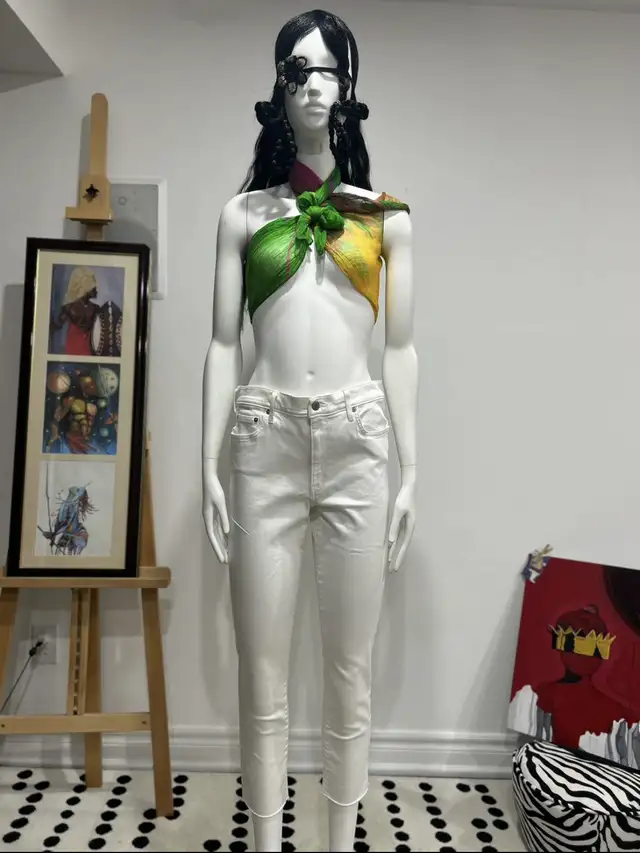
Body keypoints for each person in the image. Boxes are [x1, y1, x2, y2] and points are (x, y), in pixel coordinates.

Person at [201, 10, 418, 851]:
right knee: (261, 676)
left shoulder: (386, 219)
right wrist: (208, 463)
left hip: (360, 440)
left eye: (331, 71)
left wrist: (411, 470)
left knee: (349, 674)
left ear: (351, 88)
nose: (316, 86)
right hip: (265, 442)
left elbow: (401, 349)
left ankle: (337, 842)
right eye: (299, 69)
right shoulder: (242, 216)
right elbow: (224, 345)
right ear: (278, 87)